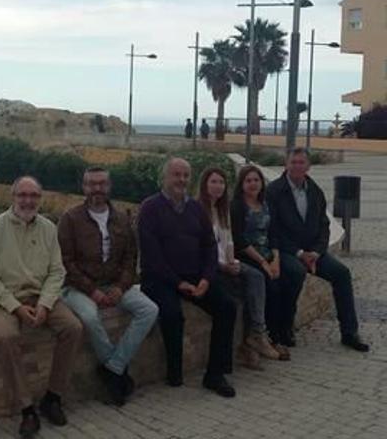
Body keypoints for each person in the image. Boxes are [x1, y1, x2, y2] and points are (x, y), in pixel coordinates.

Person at [0, 176, 83, 438]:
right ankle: (26, 408)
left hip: (40, 296)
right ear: (13, 197)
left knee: (73, 327)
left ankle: (53, 397)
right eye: (22, 195)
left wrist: (46, 304)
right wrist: (16, 308)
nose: (28, 200)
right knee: (5, 337)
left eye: (33, 195)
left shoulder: (48, 228)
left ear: (40, 198)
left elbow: (57, 272)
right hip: (2, 299)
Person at [57, 167, 158, 406]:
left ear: (109, 187)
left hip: (115, 285)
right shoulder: (70, 219)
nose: (97, 189)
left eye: (102, 184)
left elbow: (130, 258)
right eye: (92, 184)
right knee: (90, 318)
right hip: (78, 288)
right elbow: (65, 261)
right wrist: (92, 290)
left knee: (149, 310)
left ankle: (113, 367)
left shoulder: (122, 219)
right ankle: (117, 374)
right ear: (84, 187)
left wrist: (121, 287)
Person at [138, 158, 237, 398]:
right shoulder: (150, 208)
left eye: (185, 175)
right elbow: (152, 255)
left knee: (227, 307)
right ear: (165, 177)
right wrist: (178, 283)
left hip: (195, 276)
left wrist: (206, 278)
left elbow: (209, 247)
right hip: (160, 279)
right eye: (176, 175)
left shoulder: (195, 209)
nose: (181, 180)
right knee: (172, 314)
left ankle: (215, 373)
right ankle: (175, 372)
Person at [266, 148, 369, 352]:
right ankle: (284, 328)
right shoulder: (274, 191)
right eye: (293, 162)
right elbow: (273, 229)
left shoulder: (315, 191)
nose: (297, 166)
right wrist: (298, 253)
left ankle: (349, 332)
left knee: (342, 273)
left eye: (301, 162)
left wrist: (316, 252)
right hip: (286, 251)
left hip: (313, 252)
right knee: (295, 272)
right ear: (286, 165)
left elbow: (324, 226)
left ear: (308, 166)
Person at [227, 166, 290, 362]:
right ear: (242, 184)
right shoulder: (237, 206)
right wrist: (263, 262)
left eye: (256, 180)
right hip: (247, 255)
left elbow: (274, 234)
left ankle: (275, 336)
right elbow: (239, 239)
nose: (253, 184)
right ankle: (259, 337)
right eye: (248, 180)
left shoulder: (266, 204)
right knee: (267, 286)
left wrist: (276, 260)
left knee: (282, 283)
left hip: (267, 254)